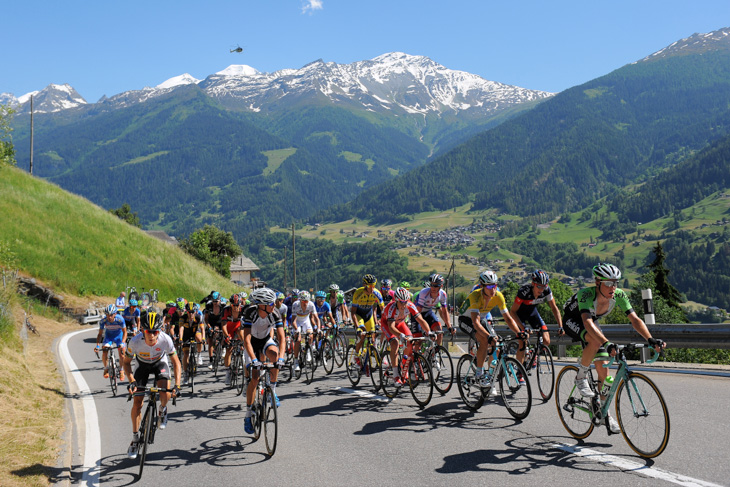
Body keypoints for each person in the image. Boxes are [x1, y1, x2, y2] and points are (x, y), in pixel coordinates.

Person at [563, 263, 666, 434]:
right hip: (574, 320)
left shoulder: (618, 295)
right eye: (609, 283)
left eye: (616, 283)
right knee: (596, 342)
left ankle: (605, 414)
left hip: (591, 319)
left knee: (604, 371)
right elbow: (587, 323)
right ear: (598, 283)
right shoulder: (586, 295)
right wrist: (606, 343)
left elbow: (635, 320)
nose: (613, 287)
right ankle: (580, 376)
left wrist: (650, 339)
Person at [124, 310, 181, 459]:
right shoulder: (135, 341)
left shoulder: (165, 339)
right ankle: (135, 439)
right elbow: (126, 363)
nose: (151, 335)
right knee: (137, 403)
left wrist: (177, 385)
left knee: (165, 392)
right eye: (148, 331)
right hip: (141, 366)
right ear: (143, 329)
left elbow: (176, 363)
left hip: (159, 364)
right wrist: (131, 381)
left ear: (159, 330)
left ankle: (162, 409)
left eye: (155, 331)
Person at [458, 270, 523, 387]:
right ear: (482, 286)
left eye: (495, 285)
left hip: (481, 319)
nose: (493, 289)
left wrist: (519, 332)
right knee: (484, 340)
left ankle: (489, 376)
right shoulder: (475, 296)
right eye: (489, 286)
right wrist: (488, 337)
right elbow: (476, 323)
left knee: (496, 346)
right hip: (466, 320)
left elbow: (508, 319)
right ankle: (479, 373)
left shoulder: (498, 296)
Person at [242, 288, 286, 434]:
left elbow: (281, 338)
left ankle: (272, 391)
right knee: (254, 378)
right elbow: (247, 340)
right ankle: (248, 414)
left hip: (265, 340)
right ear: (261, 305)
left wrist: (281, 358)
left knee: (274, 354)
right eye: (270, 303)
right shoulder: (250, 312)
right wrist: (254, 360)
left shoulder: (275, 314)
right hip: (251, 344)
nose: (274, 305)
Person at [509, 270, 563, 368]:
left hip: (532, 313)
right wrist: (522, 327)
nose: (541, 289)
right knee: (523, 341)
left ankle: (534, 355)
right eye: (539, 286)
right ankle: (520, 373)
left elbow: (554, 308)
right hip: (519, 315)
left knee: (546, 341)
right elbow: (512, 312)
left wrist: (560, 326)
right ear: (533, 284)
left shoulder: (547, 291)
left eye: (544, 286)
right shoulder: (524, 292)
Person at [381, 287, 433, 385]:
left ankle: (403, 365)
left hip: (400, 323)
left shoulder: (410, 305)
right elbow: (391, 327)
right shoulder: (391, 308)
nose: (404, 305)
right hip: (387, 325)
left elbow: (420, 320)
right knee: (395, 343)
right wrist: (400, 335)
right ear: (396, 300)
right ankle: (396, 375)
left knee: (410, 341)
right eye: (401, 302)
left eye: (405, 302)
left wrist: (429, 332)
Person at [414, 274, 455, 348]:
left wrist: (449, 326)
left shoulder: (443, 294)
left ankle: (435, 353)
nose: (433, 287)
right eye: (432, 285)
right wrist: (426, 329)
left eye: (436, 286)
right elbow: (418, 312)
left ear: (441, 286)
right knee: (418, 341)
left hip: (428, 312)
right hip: (417, 314)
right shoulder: (424, 292)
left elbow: (444, 311)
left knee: (439, 332)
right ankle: (415, 358)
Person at [350, 274, 384, 359]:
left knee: (372, 339)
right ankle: (356, 356)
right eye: (370, 286)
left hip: (369, 315)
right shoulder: (358, 293)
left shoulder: (377, 293)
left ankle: (366, 354)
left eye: (373, 285)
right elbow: (353, 312)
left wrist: (383, 322)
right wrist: (358, 326)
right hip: (359, 315)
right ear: (364, 285)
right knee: (362, 336)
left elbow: (384, 310)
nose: (372, 288)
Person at [95, 304, 127, 381]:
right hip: (108, 336)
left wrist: (122, 343)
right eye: (107, 315)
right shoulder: (103, 321)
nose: (109, 317)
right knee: (105, 351)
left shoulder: (120, 319)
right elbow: (100, 334)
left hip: (119, 337)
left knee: (122, 354)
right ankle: (106, 368)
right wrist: (97, 346)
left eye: (111, 315)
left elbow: (125, 332)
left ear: (115, 314)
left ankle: (121, 370)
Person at [291, 290, 320, 373]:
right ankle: (296, 361)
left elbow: (316, 318)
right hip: (297, 322)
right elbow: (293, 320)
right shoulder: (295, 305)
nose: (305, 303)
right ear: (300, 300)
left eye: (307, 301)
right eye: (303, 301)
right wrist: (296, 330)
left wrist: (318, 328)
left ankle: (308, 351)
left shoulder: (311, 305)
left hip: (306, 321)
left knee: (310, 335)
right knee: (298, 339)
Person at [178, 301, 205, 384]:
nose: (191, 314)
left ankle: (199, 355)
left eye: (192, 312)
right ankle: (186, 373)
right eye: (189, 312)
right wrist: (181, 339)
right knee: (186, 354)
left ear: (195, 312)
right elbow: (181, 329)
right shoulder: (182, 318)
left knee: (199, 339)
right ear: (187, 312)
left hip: (195, 332)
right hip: (186, 335)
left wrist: (203, 338)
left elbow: (202, 328)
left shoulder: (199, 317)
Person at [222, 294, 245, 385]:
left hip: (239, 328)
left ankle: (242, 354)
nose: (235, 308)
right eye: (233, 306)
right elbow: (223, 325)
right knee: (229, 350)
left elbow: (246, 326)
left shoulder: (243, 310)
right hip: (229, 329)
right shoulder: (226, 310)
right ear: (231, 305)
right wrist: (227, 336)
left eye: (237, 305)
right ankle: (228, 372)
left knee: (242, 335)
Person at [204, 291, 225, 368]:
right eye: (213, 301)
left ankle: (223, 348)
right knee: (210, 341)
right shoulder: (209, 306)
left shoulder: (223, 306)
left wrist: (223, 328)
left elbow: (225, 318)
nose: (215, 303)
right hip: (211, 322)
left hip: (220, 322)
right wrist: (209, 327)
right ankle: (210, 360)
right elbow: (206, 319)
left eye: (216, 301)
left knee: (223, 333)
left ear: (220, 300)